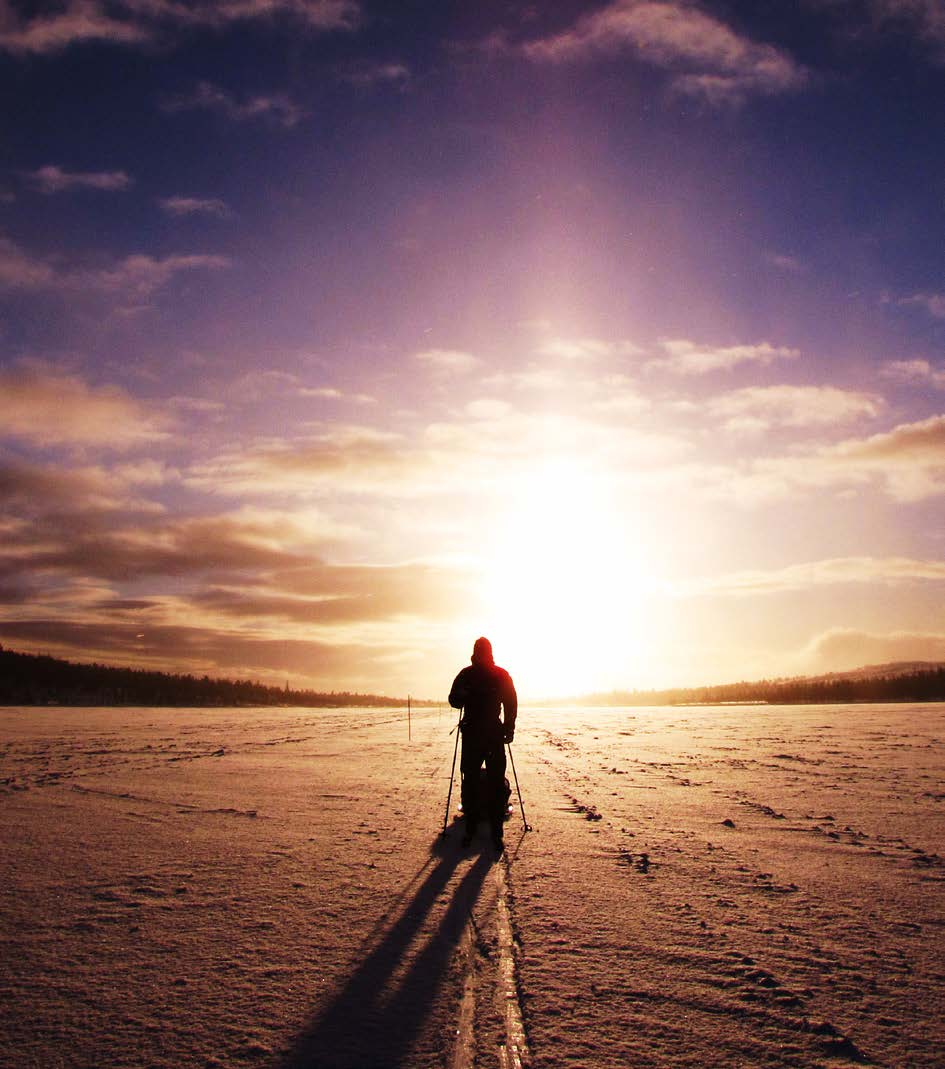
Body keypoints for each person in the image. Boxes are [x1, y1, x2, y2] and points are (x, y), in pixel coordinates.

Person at [448, 636, 517, 852]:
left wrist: (508, 728)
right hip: (483, 734)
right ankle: (481, 828)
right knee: (478, 779)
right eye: (481, 651)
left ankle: (486, 829)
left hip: (485, 734)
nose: (482, 654)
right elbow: (454, 700)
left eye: (482, 651)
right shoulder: (473, 674)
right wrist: (508, 728)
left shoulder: (472, 674)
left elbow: (511, 702)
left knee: (481, 779)